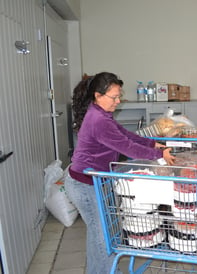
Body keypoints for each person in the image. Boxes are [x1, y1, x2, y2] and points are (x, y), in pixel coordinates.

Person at [65, 72, 175, 274]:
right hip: (84, 184)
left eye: (119, 96)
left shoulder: (100, 113)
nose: (118, 101)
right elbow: (128, 148)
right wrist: (158, 153)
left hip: (92, 180)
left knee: (98, 233)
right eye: (114, 97)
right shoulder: (98, 119)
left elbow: (125, 135)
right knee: (102, 237)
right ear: (98, 96)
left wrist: (151, 142)